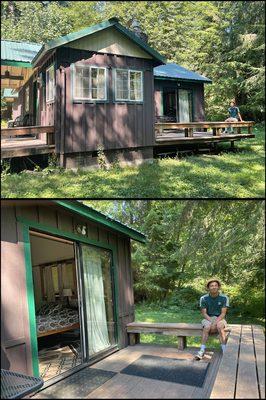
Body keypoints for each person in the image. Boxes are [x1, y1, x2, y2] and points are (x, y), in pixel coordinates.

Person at [195, 278, 229, 360]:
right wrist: (211, 322)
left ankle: (224, 350)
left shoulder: (224, 298)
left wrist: (215, 322)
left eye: (215, 285)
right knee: (206, 327)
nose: (214, 287)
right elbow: (204, 313)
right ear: (208, 288)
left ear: (218, 287)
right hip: (208, 318)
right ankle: (202, 350)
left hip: (220, 318)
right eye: (211, 286)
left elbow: (223, 313)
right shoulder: (203, 298)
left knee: (220, 326)